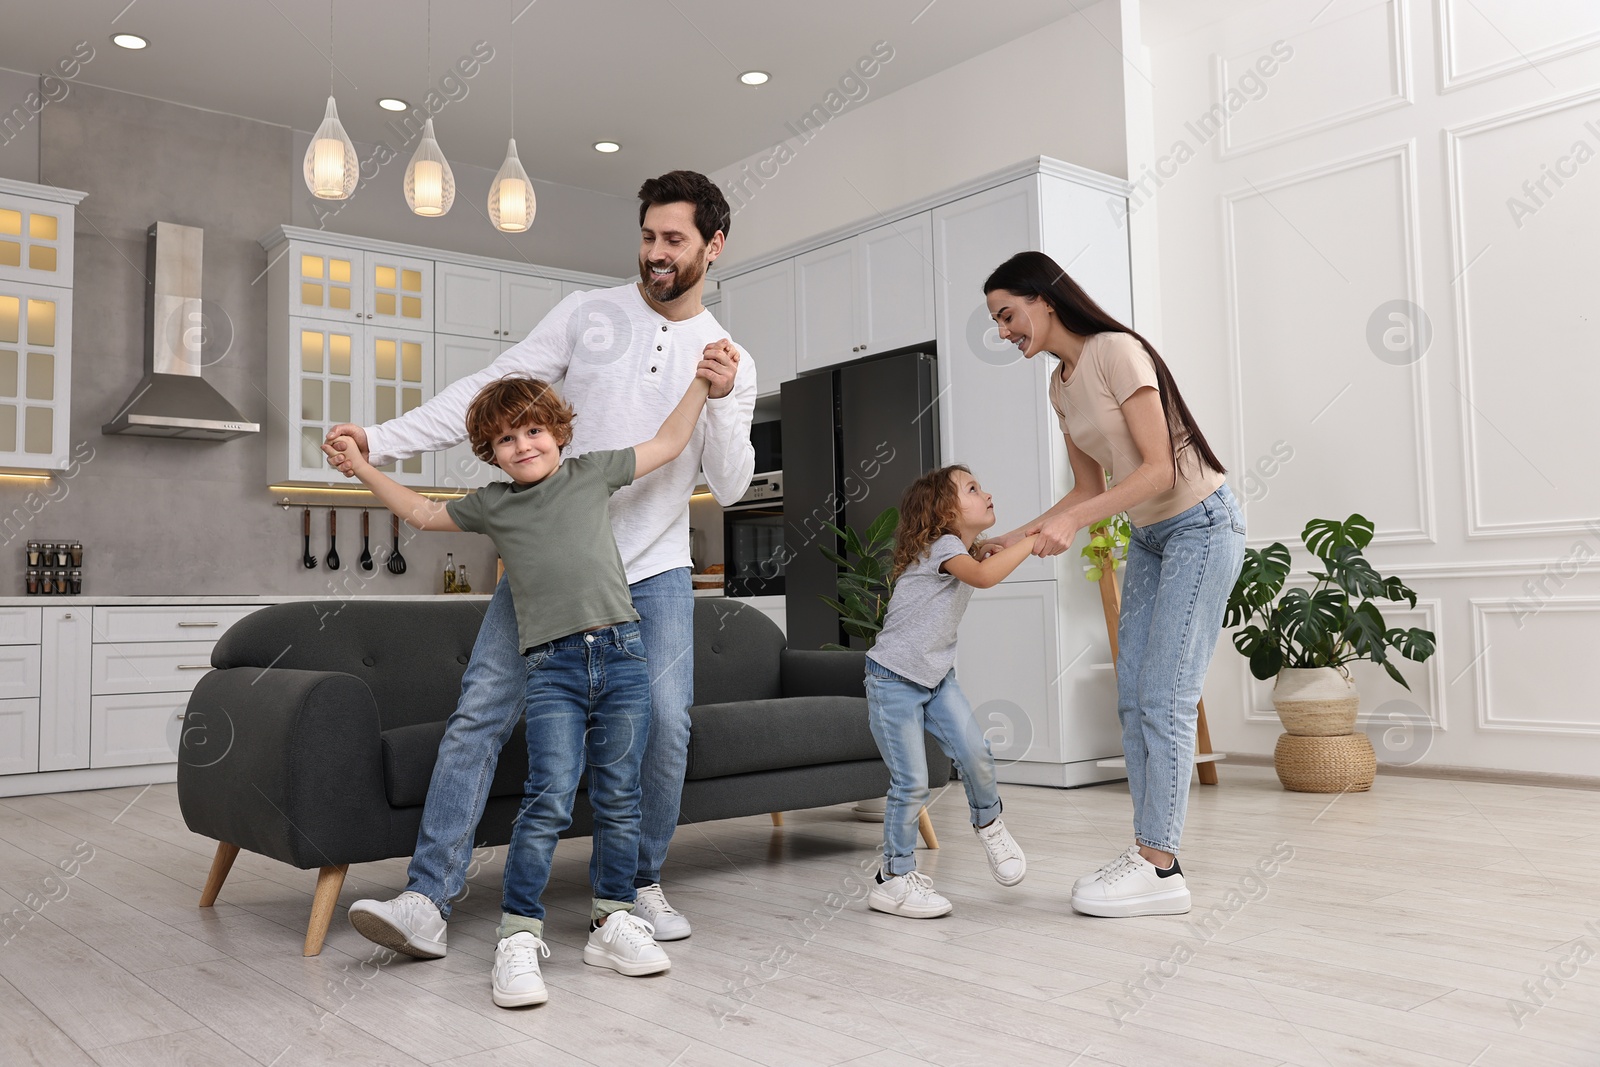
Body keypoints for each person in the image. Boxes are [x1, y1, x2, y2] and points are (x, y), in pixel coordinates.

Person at [327, 171, 755, 955]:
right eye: (648, 236)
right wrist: (380, 442)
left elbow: (727, 484)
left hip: (652, 570)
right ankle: (426, 898)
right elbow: (487, 392)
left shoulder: (727, 356)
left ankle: (635, 888)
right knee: (480, 713)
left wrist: (722, 396)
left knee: (663, 723)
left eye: (674, 241)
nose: (655, 254)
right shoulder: (589, 314)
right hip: (545, 568)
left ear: (713, 246)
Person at [327, 369, 710, 1006]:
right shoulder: (493, 504)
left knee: (619, 797)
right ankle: (518, 935)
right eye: (506, 439)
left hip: (622, 655)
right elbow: (421, 511)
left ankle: (613, 919)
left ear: (558, 431)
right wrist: (365, 465)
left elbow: (669, 443)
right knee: (549, 798)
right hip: (552, 668)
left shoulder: (593, 472)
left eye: (534, 429)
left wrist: (700, 384)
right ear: (489, 451)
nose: (523, 445)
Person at [981, 250, 1245, 918]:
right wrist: (1012, 537)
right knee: (1133, 697)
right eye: (997, 322)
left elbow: (1157, 470)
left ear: (1043, 299)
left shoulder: (1116, 351)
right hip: (1153, 536)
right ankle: (1147, 854)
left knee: (1166, 695)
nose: (1005, 331)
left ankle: (1161, 868)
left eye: (1009, 314)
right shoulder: (1059, 385)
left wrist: (1073, 522)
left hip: (1200, 525)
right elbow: (1088, 489)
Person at [863, 464, 1032, 918]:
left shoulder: (958, 548)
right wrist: (1033, 542)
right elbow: (984, 576)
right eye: (973, 488)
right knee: (912, 781)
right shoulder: (945, 548)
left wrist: (1020, 537)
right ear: (944, 511)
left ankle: (990, 823)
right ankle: (893, 877)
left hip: (936, 680)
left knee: (975, 751)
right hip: (892, 680)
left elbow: (985, 559)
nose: (987, 491)